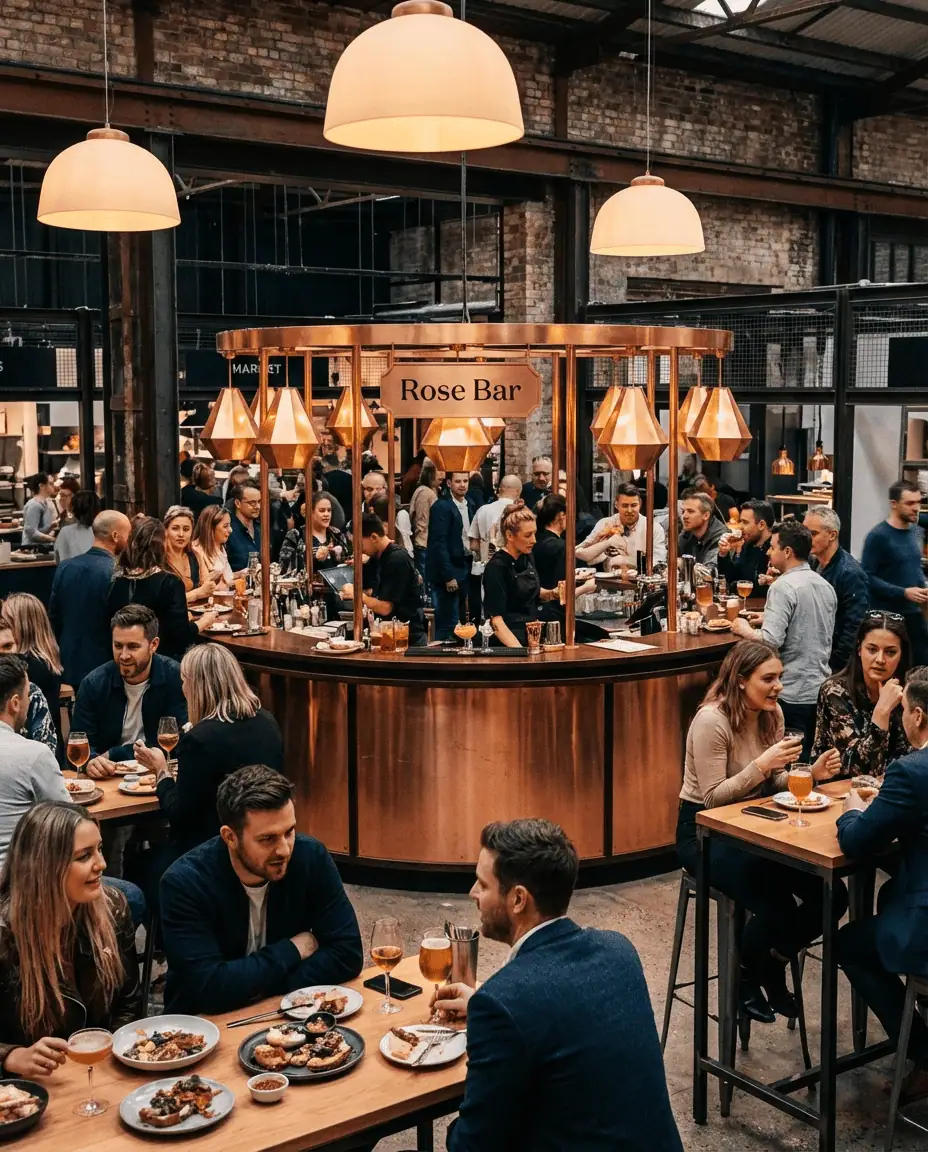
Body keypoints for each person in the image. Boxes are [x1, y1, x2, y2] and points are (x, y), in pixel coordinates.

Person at [432, 819, 683, 1152]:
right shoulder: (618, 950)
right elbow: (561, 1012)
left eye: (482, 884)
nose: (472, 894)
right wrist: (482, 1005)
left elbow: (472, 1146)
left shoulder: (505, 1003)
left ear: (518, 899)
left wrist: (492, 1012)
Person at [678, 640, 845, 1022]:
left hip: (755, 825)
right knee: (777, 905)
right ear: (739, 681)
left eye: (780, 678)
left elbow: (772, 784)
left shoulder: (772, 715)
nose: (778, 687)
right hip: (703, 833)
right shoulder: (711, 721)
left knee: (832, 897)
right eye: (768, 679)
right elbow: (711, 799)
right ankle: (747, 980)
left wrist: (812, 775)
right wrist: (762, 764)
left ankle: (771, 963)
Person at [160, 764, 363, 1014]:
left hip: (288, 1015)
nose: (284, 849)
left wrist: (263, 989)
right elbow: (210, 990)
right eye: (267, 839)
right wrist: (293, 950)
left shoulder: (310, 857)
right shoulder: (184, 883)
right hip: (203, 1030)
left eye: (289, 832)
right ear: (230, 838)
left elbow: (348, 954)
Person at [837, 672, 928, 1107]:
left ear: (917, 715)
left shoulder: (910, 771)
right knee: (888, 899)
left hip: (925, 927)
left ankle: (924, 1056)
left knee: (848, 944)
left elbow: (857, 841)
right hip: (914, 896)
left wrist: (853, 810)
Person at [0, 803, 140, 1077]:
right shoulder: (4, 933)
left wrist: (118, 1062)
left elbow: (129, 1004)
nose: (101, 864)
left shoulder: (113, 907)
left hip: (99, 1073)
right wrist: (10, 1055)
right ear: (45, 867)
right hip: (26, 1088)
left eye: (99, 849)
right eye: (84, 856)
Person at [732, 520, 837, 758]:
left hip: (790, 691)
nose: (768, 552)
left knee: (787, 762)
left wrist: (743, 628)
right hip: (819, 688)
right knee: (809, 759)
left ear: (787, 551)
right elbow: (808, 623)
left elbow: (770, 642)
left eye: (772, 547)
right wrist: (766, 617)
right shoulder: (825, 585)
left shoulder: (782, 586)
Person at [73, 605, 188, 774]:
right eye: (118, 646)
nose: (124, 655)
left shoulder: (176, 678)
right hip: (109, 777)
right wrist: (91, 763)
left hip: (160, 774)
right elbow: (80, 744)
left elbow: (180, 740)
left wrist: (116, 753)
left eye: (133, 647)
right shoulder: (93, 684)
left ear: (153, 645)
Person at [812, 613, 910, 779]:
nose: (880, 659)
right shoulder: (834, 691)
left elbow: (913, 755)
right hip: (837, 794)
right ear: (859, 649)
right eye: (872, 650)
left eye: (890, 652)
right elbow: (857, 768)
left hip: (891, 791)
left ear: (901, 656)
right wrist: (881, 712)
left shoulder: (908, 692)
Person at [107, 516, 214, 662]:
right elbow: (180, 637)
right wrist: (204, 622)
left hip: (122, 659)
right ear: (162, 544)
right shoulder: (169, 583)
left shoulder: (117, 581)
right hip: (161, 662)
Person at [49, 510, 132, 689]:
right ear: (116, 535)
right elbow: (123, 621)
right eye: (128, 534)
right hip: (106, 661)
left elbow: (54, 616)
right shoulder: (118, 573)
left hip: (69, 656)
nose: (129, 540)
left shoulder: (65, 567)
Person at [0, 656, 70, 867]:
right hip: (17, 885)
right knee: (131, 895)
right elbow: (72, 824)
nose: (30, 701)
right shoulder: (33, 754)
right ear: (14, 703)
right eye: (28, 694)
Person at [861, 479, 928, 665]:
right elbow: (867, 577)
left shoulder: (916, 532)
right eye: (910, 503)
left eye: (918, 502)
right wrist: (904, 592)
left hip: (914, 616)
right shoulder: (879, 536)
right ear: (894, 504)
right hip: (889, 619)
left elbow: (911, 569)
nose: (916, 508)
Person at [340, 513, 427, 646]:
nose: (359, 550)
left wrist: (356, 594)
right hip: (387, 634)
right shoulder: (377, 557)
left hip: (407, 638)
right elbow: (371, 591)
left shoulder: (397, 559)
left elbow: (386, 607)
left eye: (359, 544)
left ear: (374, 537)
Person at [483, 502, 558, 648]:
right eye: (528, 535)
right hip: (508, 642)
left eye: (535, 533)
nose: (534, 540)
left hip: (532, 635)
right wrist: (520, 654)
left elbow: (529, 593)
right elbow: (496, 622)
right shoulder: (497, 567)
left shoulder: (527, 556)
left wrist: (553, 594)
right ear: (510, 535)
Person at [804, 507, 869, 672]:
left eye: (813, 534)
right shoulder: (812, 563)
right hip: (814, 656)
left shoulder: (850, 573)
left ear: (832, 535)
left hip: (834, 664)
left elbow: (854, 626)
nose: (806, 539)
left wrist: (834, 666)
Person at [0, 593, 63, 750]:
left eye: (5, 621)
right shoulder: (47, 661)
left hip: (34, 750)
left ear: (22, 627)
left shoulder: (26, 669)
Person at [577, 481, 667, 570]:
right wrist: (607, 543)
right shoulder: (606, 524)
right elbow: (579, 552)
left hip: (641, 581)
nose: (629, 510)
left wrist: (626, 561)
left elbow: (659, 561)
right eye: (625, 506)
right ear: (616, 505)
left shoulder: (653, 528)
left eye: (633, 505)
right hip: (610, 582)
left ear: (640, 504)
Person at [426, 472, 473, 640]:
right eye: (458, 481)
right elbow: (438, 543)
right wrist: (448, 575)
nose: (462, 485)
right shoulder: (442, 506)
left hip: (464, 566)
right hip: (448, 571)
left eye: (465, 481)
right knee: (448, 622)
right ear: (448, 483)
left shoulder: (469, 503)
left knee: (461, 621)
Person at [718, 499, 775, 599]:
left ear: (761, 525)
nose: (740, 527)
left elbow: (764, 590)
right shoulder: (748, 545)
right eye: (740, 521)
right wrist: (724, 554)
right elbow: (731, 577)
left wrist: (735, 586)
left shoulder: (776, 549)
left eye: (745, 522)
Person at [163, 505, 215, 606]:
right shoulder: (158, 558)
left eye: (186, 529)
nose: (181, 534)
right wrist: (196, 593)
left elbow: (206, 587)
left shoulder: (195, 556)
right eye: (175, 529)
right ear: (166, 530)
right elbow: (163, 602)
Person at [409, 459, 441, 586]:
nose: (441, 475)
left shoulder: (429, 491)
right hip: (424, 544)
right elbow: (421, 521)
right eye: (438, 470)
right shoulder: (425, 493)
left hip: (427, 544)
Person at [678, 488, 726, 566]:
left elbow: (710, 571)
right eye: (683, 511)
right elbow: (669, 557)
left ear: (706, 515)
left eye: (690, 511)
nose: (684, 516)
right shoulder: (687, 532)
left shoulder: (721, 536)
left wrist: (683, 564)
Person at [192, 504, 234, 587]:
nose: (230, 530)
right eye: (225, 526)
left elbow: (227, 578)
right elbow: (204, 586)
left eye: (229, 525)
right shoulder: (196, 550)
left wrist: (241, 574)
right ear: (210, 528)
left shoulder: (221, 547)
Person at [53, 489, 100, 563]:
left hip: (70, 573)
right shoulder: (104, 532)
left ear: (73, 509)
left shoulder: (66, 532)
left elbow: (58, 559)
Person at [226, 482, 262, 575]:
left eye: (259, 502)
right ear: (238, 503)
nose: (257, 507)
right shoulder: (228, 530)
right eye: (252, 503)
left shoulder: (262, 528)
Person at [21, 473, 57, 545]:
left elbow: (40, 530)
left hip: (39, 547)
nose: (54, 486)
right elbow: (31, 532)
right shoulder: (34, 505)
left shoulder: (45, 503)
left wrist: (51, 526)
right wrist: (53, 539)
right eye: (50, 484)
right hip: (31, 549)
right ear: (41, 486)